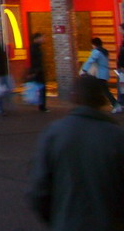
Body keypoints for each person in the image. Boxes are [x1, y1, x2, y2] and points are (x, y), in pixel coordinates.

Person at [27, 74, 124, 230]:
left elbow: (38, 190)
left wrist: (56, 218)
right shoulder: (116, 137)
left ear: (74, 96)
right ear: (101, 98)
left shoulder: (54, 134)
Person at [81, 37, 121, 112]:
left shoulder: (96, 52)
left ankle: (115, 104)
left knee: (104, 90)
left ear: (93, 44)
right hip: (104, 73)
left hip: (99, 74)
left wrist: (84, 70)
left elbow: (90, 61)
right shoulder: (104, 51)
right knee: (102, 90)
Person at [28, 32, 48, 113]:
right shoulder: (34, 48)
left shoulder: (37, 47)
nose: (43, 39)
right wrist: (35, 71)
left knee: (40, 88)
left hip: (38, 71)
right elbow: (34, 61)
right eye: (42, 37)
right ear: (36, 39)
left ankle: (41, 105)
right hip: (37, 71)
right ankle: (41, 106)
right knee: (41, 88)